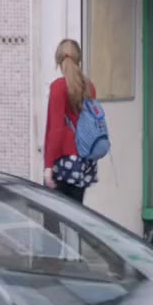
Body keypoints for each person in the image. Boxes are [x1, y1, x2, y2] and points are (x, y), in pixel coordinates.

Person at [43, 39, 98, 203]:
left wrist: (48, 165)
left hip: (63, 161)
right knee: (76, 211)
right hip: (84, 160)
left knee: (54, 213)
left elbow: (56, 130)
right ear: (79, 59)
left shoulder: (58, 87)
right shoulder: (89, 87)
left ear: (58, 61)